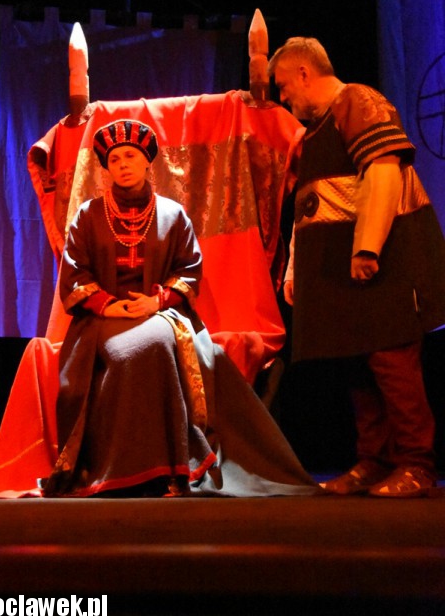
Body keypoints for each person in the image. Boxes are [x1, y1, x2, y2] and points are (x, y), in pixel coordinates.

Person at [40, 118, 320, 498]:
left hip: (161, 313)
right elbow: (74, 276)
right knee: (126, 352)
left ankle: (171, 467)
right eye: (115, 159)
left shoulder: (173, 214)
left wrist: (155, 301)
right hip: (100, 319)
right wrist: (109, 305)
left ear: (146, 162)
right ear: (106, 168)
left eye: (130, 156)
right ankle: (120, 468)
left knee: (155, 343)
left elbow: (189, 271)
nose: (123, 164)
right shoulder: (88, 216)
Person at [268, 37, 445, 498]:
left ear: (304, 73)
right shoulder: (315, 131)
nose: (283, 98)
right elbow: (309, 204)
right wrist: (295, 271)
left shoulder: (357, 101)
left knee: (392, 361)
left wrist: (367, 247)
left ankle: (416, 463)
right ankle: (374, 459)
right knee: (356, 363)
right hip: (341, 270)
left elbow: (383, 171)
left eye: (284, 86)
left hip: (384, 259)